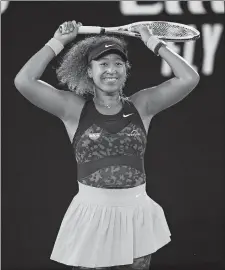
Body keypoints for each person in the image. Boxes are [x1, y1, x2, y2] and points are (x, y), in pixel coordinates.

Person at [14, 20, 199, 270]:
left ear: (126, 70)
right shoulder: (74, 109)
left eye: (118, 64)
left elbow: (189, 78)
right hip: (92, 214)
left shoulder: (142, 105)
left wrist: (153, 42)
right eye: (103, 64)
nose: (111, 69)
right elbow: (24, 81)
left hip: (136, 212)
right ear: (89, 71)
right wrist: (58, 41)